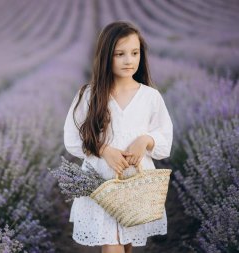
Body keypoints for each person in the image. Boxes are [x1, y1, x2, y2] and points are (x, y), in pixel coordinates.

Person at [63, 21, 173, 253]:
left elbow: (164, 140)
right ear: (106, 56)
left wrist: (145, 140)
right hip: (101, 182)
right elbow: (73, 138)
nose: (129, 60)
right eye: (120, 54)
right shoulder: (90, 94)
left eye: (135, 53)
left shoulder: (150, 97)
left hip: (136, 182)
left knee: (125, 243)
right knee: (112, 244)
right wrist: (104, 150)